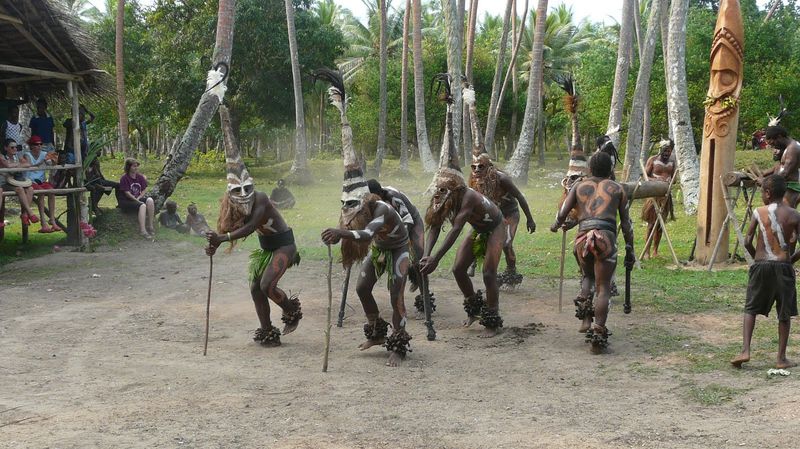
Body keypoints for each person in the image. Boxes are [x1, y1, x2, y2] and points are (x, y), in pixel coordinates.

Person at [205, 142, 302, 348]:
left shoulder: (261, 199)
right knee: (255, 289)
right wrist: (214, 244)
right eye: (237, 190)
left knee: (267, 285)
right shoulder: (232, 203)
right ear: (230, 192)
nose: (243, 194)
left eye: (247, 188)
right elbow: (226, 229)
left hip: (284, 246)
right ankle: (267, 331)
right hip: (267, 248)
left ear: (253, 185)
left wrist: (221, 239)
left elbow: (249, 228)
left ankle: (291, 309)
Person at [550, 152, 635, 351]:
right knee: (603, 287)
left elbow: (563, 213)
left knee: (587, 277)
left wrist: (556, 225)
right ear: (610, 170)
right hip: (606, 239)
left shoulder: (579, 187)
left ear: (589, 169)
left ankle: (585, 313)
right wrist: (630, 247)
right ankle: (597, 336)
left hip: (582, 239)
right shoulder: (617, 188)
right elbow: (626, 224)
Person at [321, 195, 412, 367]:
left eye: (352, 205)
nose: (348, 208)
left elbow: (367, 234)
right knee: (362, 288)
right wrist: (335, 236)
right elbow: (357, 233)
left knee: (396, 295)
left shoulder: (382, 209)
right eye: (345, 204)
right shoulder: (353, 211)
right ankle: (377, 334)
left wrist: (340, 233)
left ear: (364, 206)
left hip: (399, 249)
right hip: (380, 248)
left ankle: (398, 347)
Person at [420, 168, 507, 338]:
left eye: (444, 190)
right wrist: (427, 255)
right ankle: (474, 309)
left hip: (496, 227)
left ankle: (492, 320)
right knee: (458, 269)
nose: (439, 193)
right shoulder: (441, 197)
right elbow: (435, 225)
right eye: (438, 189)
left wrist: (436, 259)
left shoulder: (469, 197)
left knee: (489, 273)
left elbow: (456, 229)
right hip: (478, 229)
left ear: (456, 190)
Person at [731, 175, 800, 369]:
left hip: (761, 265)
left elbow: (747, 241)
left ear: (768, 193)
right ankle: (781, 358)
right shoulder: (794, 214)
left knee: (751, 308)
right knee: (784, 313)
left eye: (762, 192)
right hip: (783, 267)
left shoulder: (758, 212)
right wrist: (789, 261)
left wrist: (756, 260)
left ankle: (745, 350)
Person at [367, 178, 434, 314]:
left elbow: (407, 220)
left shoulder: (392, 197)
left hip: (412, 223)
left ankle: (425, 302)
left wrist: (403, 244)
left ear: (380, 193)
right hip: (392, 228)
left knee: (418, 262)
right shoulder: (367, 201)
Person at [468, 152, 536, 287]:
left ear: (489, 167)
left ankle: (511, 271)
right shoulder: (473, 180)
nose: (476, 170)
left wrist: (530, 219)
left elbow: (520, 197)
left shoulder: (501, 179)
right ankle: (473, 262)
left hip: (509, 213)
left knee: (506, 243)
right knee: (474, 237)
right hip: (491, 215)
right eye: (473, 167)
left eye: (481, 166)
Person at [641, 138, 676, 259]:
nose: (667, 153)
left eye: (669, 151)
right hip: (653, 197)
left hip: (665, 196)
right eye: (665, 151)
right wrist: (656, 180)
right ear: (661, 150)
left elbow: (674, 178)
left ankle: (655, 251)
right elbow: (646, 176)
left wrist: (670, 181)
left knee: (660, 225)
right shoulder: (653, 160)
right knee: (651, 224)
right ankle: (646, 252)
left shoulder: (672, 162)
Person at [22, 135, 60, 233]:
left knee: (52, 192)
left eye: (40, 144)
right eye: (36, 144)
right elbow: (30, 166)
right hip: (30, 181)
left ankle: (52, 219)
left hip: (41, 181)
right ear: (31, 146)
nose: (39, 146)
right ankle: (43, 222)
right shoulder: (27, 155)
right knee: (41, 193)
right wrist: (42, 161)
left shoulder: (44, 154)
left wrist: (54, 160)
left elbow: (51, 164)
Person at [0, 138, 38, 225]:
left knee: (30, 189)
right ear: (6, 148)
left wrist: (15, 165)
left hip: (15, 181)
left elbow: (28, 164)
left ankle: (24, 214)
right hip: (4, 183)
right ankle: (30, 213)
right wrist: (19, 165)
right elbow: (8, 165)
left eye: (16, 147)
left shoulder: (18, 156)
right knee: (20, 189)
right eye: (12, 147)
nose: (15, 149)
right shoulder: (2, 156)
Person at [760, 126, 800, 208]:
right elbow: (780, 168)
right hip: (787, 185)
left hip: (791, 187)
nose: (774, 146)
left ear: (779, 137)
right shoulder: (789, 148)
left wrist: (765, 182)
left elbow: (785, 173)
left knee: (784, 214)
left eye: (773, 143)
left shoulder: (793, 149)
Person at [117, 158, 155, 238]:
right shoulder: (124, 178)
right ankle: (143, 230)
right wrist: (137, 200)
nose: (136, 168)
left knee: (150, 200)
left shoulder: (140, 177)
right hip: (126, 200)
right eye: (134, 166)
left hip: (137, 198)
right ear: (129, 167)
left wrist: (139, 197)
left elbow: (144, 189)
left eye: (137, 166)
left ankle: (150, 226)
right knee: (142, 205)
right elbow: (127, 193)